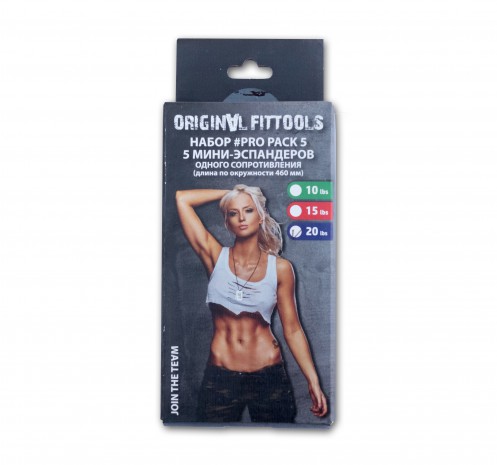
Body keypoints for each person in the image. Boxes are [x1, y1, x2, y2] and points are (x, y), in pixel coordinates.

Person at [175, 184, 327, 422]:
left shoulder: (280, 269)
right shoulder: (215, 257)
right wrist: (233, 192)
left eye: (248, 210)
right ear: (227, 222)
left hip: (269, 377)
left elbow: (293, 329)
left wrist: (313, 381)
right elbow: (182, 198)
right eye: (233, 213)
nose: (241, 218)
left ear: (261, 216)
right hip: (221, 377)